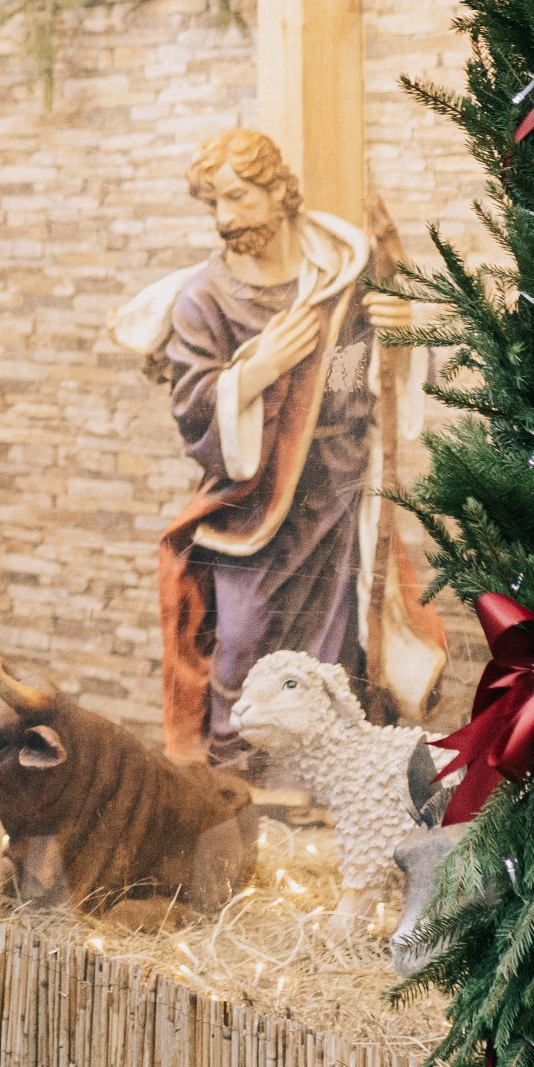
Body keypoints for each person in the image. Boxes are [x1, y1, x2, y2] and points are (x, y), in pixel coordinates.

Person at [112, 127, 438, 764]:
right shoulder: (204, 300)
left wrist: (396, 342)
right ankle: (243, 775)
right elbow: (192, 409)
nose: (225, 219)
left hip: (335, 493)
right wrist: (254, 374)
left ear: (280, 193)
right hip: (252, 507)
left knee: (335, 647)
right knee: (242, 635)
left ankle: (323, 775)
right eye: (212, 205)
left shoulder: (339, 281)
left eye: (238, 198)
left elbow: (354, 379)